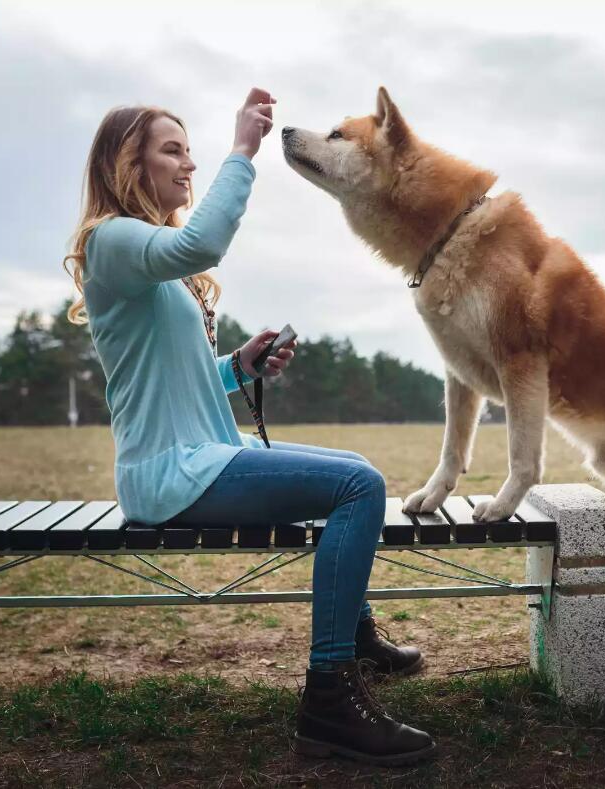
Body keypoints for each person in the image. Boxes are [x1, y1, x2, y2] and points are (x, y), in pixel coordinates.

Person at [61, 87, 435, 766]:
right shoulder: (112, 239)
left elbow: (180, 377)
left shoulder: (144, 258)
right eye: (172, 151)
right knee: (359, 486)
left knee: (347, 468)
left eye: (192, 153)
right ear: (128, 163)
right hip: (171, 472)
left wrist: (238, 364)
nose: (188, 166)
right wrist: (243, 149)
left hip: (197, 457)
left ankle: (354, 640)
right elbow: (207, 239)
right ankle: (329, 698)